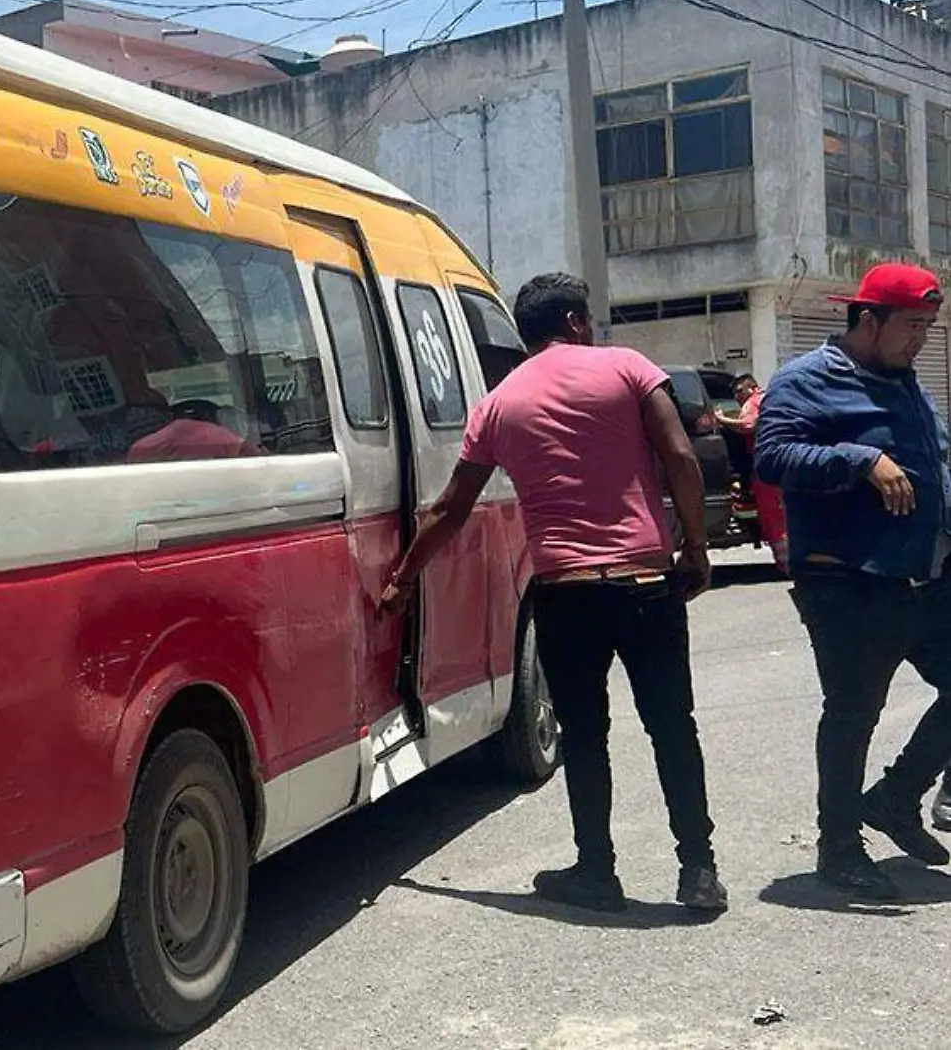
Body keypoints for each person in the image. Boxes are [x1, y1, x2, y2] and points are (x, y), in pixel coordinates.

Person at [381, 273, 726, 913]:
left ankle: (597, 871)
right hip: (645, 582)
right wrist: (695, 547)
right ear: (574, 322)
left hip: (565, 593)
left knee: (585, 734)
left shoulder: (497, 404)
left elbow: (450, 510)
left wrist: (403, 579)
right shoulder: (627, 367)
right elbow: (680, 456)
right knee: (673, 728)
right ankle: (698, 871)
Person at [754, 262, 951, 901]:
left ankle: (896, 797)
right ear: (869, 320)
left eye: (929, 328)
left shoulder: (904, 382)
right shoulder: (807, 381)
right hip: (847, 580)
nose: (921, 339)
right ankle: (838, 844)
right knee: (852, 713)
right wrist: (859, 460)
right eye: (913, 327)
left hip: (922, 576)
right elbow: (772, 456)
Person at [714, 373, 788, 571]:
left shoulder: (753, 402)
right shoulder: (772, 399)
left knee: (771, 513)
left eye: (740, 391)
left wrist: (721, 419)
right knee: (781, 512)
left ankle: (786, 563)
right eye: (735, 393)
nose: (737, 396)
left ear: (752, 388)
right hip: (779, 462)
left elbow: (748, 425)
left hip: (764, 464)